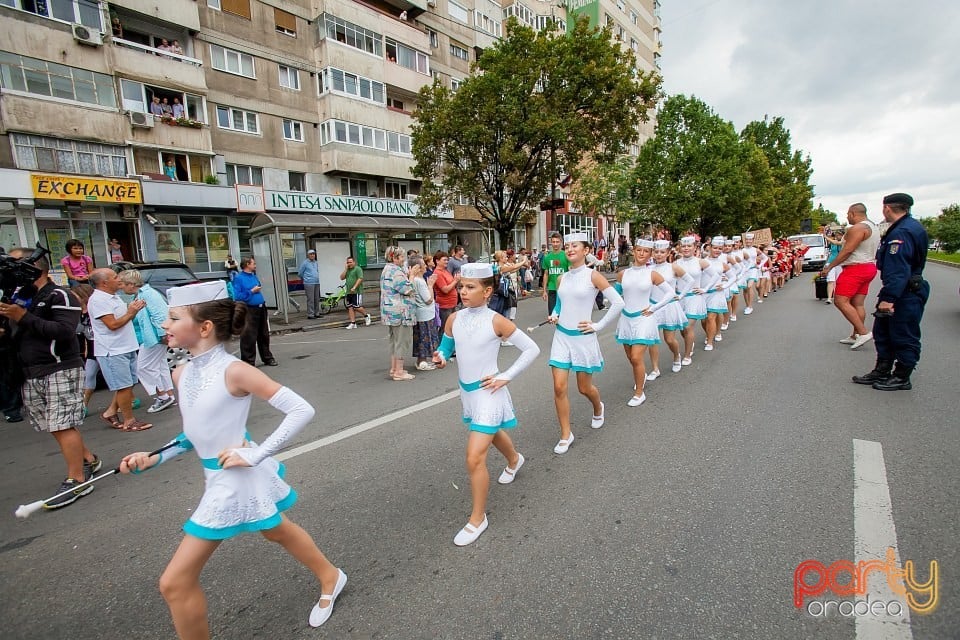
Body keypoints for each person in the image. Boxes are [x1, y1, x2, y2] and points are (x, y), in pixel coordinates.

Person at [119, 281, 346, 634]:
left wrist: (257, 453)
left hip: (232, 479)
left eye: (173, 318)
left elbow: (301, 409)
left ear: (204, 327)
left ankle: (331, 577)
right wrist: (154, 457)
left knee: (175, 583)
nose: (164, 325)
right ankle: (331, 575)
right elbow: (195, 433)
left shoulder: (235, 371)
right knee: (276, 530)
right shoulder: (182, 373)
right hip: (219, 474)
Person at [433, 263, 540, 546]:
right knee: (491, 436)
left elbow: (532, 349)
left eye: (470, 287)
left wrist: (506, 376)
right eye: (461, 286)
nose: (463, 292)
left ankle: (478, 518)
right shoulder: (453, 319)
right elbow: (446, 346)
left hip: (489, 393)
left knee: (473, 457)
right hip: (467, 393)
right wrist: (441, 356)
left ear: (488, 290)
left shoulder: (497, 321)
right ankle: (515, 459)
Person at [0, 249, 101, 509]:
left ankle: (77, 479)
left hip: (60, 368)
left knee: (62, 423)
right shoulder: (19, 297)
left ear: (37, 267)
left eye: (17, 262)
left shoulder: (60, 295)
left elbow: (65, 331)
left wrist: (23, 317)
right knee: (55, 424)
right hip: (30, 371)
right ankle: (88, 460)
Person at [547, 232, 625, 454]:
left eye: (575, 246)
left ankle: (598, 407)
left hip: (583, 338)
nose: (570, 249)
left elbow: (618, 303)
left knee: (584, 388)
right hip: (562, 337)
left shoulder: (593, 276)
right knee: (559, 387)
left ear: (586, 250)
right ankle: (565, 434)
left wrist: (598, 326)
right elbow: (560, 304)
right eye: (567, 246)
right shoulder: (562, 278)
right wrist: (555, 314)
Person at [852, 193, 929, 391]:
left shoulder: (902, 232)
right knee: (883, 331)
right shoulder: (905, 227)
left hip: (904, 291)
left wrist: (888, 298)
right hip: (899, 289)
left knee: (903, 334)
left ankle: (902, 376)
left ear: (887, 208)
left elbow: (899, 269)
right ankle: (882, 370)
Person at [88, 268, 153, 431]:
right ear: (104, 283)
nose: (119, 279)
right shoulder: (98, 300)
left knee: (129, 384)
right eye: (115, 277)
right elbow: (113, 324)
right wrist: (131, 312)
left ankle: (110, 412)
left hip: (127, 346)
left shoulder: (113, 297)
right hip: (113, 350)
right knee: (123, 387)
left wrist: (133, 309)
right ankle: (129, 420)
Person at [615, 240, 674, 406]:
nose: (642, 254)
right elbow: (614, 295)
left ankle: (639, 393)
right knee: (632, 358)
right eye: (639, 250)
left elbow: (670, 293)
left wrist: (654, 308)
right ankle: (641, 376)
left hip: (644, 319)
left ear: (650, 254)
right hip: (626, 319)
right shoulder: (622, 274)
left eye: (646, 251)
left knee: (636, 356)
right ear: (634, 251)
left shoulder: (652, 274)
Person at [820, 203, 880, 350]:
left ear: (853, 213)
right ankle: (855, 335)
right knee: (857, 303)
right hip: (869, 266)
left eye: (848, 214)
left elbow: (847, 250)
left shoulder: (858, 228)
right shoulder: (873, 227)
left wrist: (830, 266)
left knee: (840, 301)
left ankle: (863, 332)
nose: (847, 217)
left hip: (855, 268)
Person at [118, 270, 176, 413]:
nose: (121, 288)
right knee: (159, 366)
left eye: (123, 285)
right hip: (153, 337)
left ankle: (163, 397)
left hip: (154, 338)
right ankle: (168, 395)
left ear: (131, 285)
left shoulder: (147, 294)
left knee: (143, 368)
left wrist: (164, 334)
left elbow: (160, 315)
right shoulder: (144, 294)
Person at [647, 240, 693, 376]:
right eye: (656, 252)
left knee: (669, 339)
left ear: (667, 253)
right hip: (653, 306)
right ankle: (655, 369)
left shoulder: (673, 267)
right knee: (652, 340)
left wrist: (681, 295)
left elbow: (690, 281)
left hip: (669, 307)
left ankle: (676, 356)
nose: (659, 255)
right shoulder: (649, 269)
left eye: (662, 252)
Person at [380, 246, 419, 380]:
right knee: (402, 341)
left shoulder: (387, 269)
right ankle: (399, 372)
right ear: (394, 258)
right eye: (401, 256)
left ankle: (394, 368)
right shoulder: (396, 271)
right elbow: (408, 289)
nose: (404, 259)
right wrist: (412, 276)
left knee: (394, 341)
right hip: (401, 312)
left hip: (390, 312)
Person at [233, 257, 278, 367]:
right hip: (249, 309)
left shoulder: (253, 276)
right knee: (249, 336)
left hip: (261, 308)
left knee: (264, 334)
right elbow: (237, 296)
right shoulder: (239, 278)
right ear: (247, 264)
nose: (255, 265)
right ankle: (248, 362)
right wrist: (251, 291)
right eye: (254, 263)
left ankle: (267, 358)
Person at [409, 256, 439, 371]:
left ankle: (421, 360)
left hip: (422, 314)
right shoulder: (419, 281)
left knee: (421, 337)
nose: (425, 266)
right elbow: (428, 299)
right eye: (423, 264)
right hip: (424, 314)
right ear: (418, 267)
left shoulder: (416, 280)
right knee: (424, 337)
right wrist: (430, 285)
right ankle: (422, 361)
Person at [540, 231, 569, 317]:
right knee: (553, 315)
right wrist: (544, 290)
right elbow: (546, 274)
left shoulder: (566, 255)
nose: (555, 244)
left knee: (564, 315)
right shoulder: (547, 257)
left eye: (557, 242)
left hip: (564, 288)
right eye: (553, 242)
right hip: (552, 288)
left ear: (561, 242)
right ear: (551, 243)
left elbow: (571, 271)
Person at [432, 251, 460, 338]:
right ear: (437, 261)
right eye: (444, 260)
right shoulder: (438, 273)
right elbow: (445, 289)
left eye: (447, 260)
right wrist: (455, 281)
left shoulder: (445, 271)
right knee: (445, 327)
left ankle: (450, 348)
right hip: (445, 305)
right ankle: (441, 348)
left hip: (452, 303)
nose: (446, 262)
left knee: (451, 326)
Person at [340, 256, 371, 329]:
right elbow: (341, 277)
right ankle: (353, 322)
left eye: (350, 262)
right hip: (348, 292)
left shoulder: (358, 269)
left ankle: (366, 315)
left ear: (354, 262)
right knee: (350, 307)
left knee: (356, 307)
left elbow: (360, 278)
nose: (349, 264)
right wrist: (345, 269)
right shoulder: (347, 270)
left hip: (357, 291)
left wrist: (354, 287)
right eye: (348, 262)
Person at [298, 249, 321, 320]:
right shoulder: (305, 263)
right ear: (308, 255)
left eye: (313, 254)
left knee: (316, 299)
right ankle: (310, 314)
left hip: (316, 282)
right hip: (309, 283)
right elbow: (300, 273)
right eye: (311, 254)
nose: (312, 255)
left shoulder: (316, 262)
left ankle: (316, 313)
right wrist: (306, 279)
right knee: (311, 299)